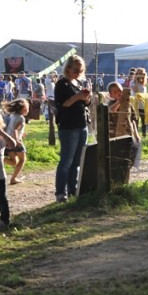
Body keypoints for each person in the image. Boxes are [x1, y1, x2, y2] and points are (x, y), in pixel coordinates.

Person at [53, 55, 91, 203]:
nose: (77, 73)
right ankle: (60, 193)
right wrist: (78, 96)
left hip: (82, 125)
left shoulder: (78, 82)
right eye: (75, 70)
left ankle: (73, 190)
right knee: (66, 161)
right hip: (68, 126)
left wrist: (86, 98)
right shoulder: (62, 84)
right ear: (68, 68)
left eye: (80, 70)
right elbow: (63, 104)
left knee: (77, 161)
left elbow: (84, 104)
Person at [4, 98, 28, 185]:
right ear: (23, 109)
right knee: (22, 160)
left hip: (8, 141)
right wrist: (17, 140)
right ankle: (13, 179)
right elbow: (15, 130)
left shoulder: (12, 115)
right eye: (27, 107)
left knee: (14, 162)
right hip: (15, 141)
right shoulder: (21, 118)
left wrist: (22, 133)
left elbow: (12, 128)